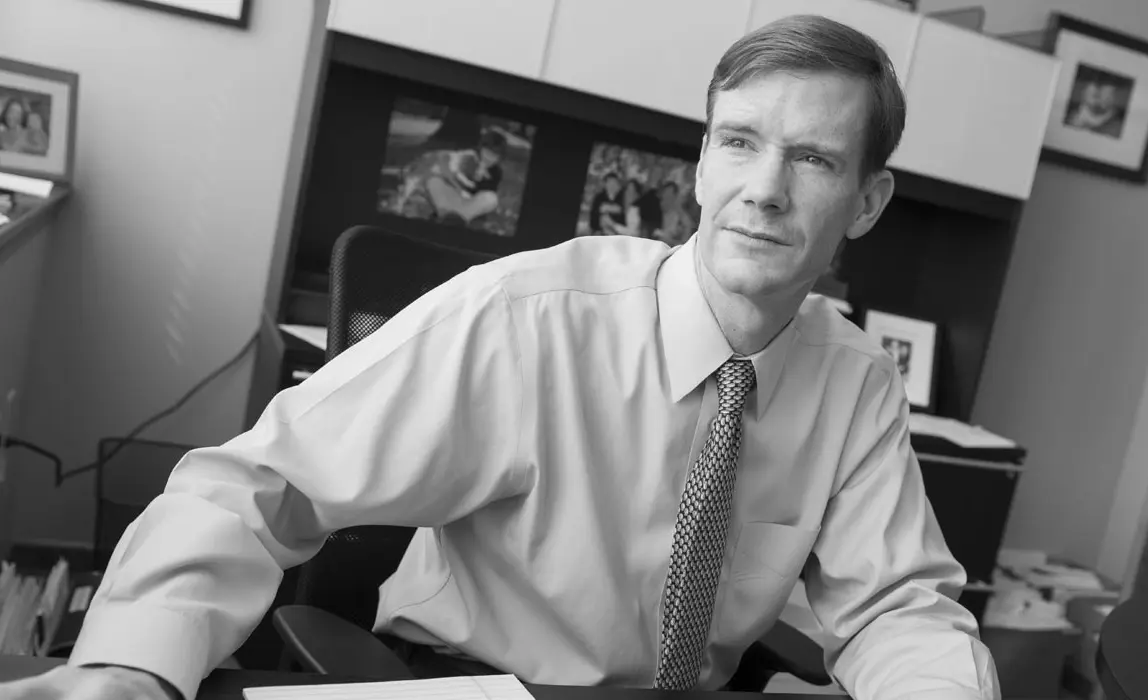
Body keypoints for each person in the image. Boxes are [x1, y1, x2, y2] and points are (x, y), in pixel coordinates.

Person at [0, 14, 999, 700]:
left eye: (814, 159)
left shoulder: (856, 380)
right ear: (700, 162)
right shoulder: (527, 318)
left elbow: (895, 606)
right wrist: (132, 667)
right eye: (738, 143)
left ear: (866, 202)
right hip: (466, 680)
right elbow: (256, 487)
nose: (763, 191)